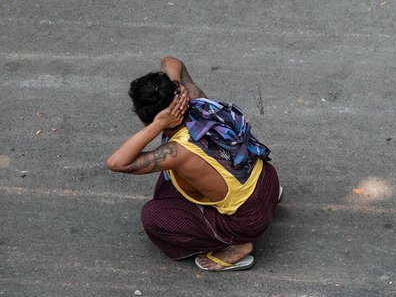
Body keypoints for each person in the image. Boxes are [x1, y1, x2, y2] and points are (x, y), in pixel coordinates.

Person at [106, 56, 280, 271]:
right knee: (169, 182)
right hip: (267, 181)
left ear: (144, 117)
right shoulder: (199, 103)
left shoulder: (177, 152)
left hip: (249, 220)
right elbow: (171, 61)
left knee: (153, 216)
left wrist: (158, 125)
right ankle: (267, 201)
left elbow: (117, 163)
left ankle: (237, 245)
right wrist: (176, 87)